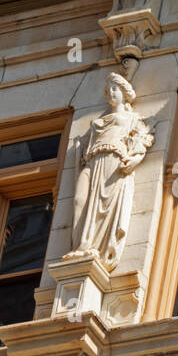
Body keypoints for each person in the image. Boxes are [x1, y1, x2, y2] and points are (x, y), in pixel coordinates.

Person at [66, 73, 154, 271]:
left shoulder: (132, 118)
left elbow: (143, 140)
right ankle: (80, 244)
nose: (111, 93)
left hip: (113, 160)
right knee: (80, 200)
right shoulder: (101, 120)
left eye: (115, 88)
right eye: (109, 89)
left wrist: (135, 158)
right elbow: (85, 147)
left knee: (103, 205)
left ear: (124, 93)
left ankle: (92, 246)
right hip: (91, 162)